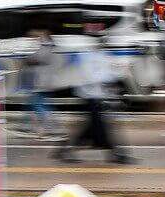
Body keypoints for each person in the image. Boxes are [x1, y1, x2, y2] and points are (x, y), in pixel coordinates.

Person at [54, 25, 136, 165]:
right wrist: (110, 78)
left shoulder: (101, 55)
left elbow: (108, 72)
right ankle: (116, 153)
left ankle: (65, 150)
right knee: (100, 127)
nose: (103, 43)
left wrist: (118, 74)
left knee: (92, 128)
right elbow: (90, 75)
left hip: (97, 95)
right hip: (88, 95)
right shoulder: (86, 55)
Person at [13, 30, 65, 141]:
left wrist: (25, 60)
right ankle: (25, 127)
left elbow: (36, 59)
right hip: (41, 81)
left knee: (39, 105)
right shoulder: (49, 47)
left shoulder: (46, 47)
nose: (35, 38)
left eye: (38, 36)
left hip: (41, 82)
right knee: (31, 104)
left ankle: (53, 129)